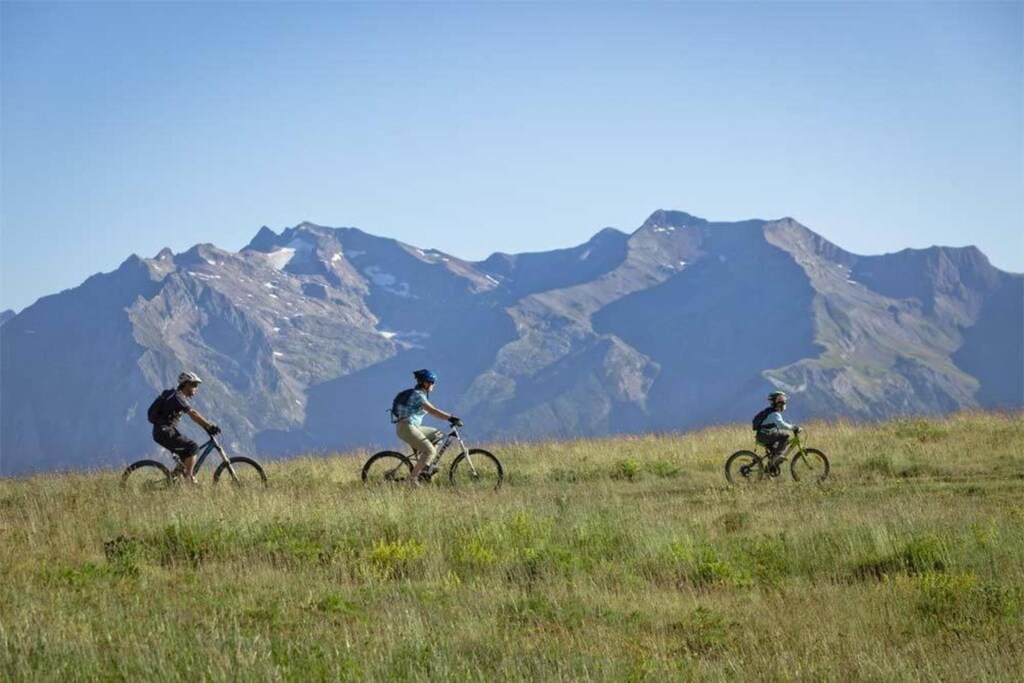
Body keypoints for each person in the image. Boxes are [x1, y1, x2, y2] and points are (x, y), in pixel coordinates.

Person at [392, 369, 461, 486]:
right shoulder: (418, 395)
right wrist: (451, 418)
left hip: (412, 427)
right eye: (432, 382)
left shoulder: (420, 394)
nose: (434, 385)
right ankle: (412, 480)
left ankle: (425, 467)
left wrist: (449, 417)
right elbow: (433, 411)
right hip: (406, 427)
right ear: (425, 383)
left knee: (437, 434)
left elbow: (433, 411)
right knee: (429, 451)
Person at [148, 372, 220, 483]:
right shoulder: (178, 397)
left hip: (164, 431)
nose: (196, 388)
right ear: (186, 384)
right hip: (164, 432)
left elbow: (193, 416)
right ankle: (189, 480)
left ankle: (172, 480)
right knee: (193, 447)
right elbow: (193, 414)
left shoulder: (177, 396)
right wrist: (209, 426)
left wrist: (206, 426)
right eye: (194, 385)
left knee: (186, 455)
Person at [755, 390, 801, 465]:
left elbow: (780, 423)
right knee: (785, 436)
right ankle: (777, 456)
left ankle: (771, 465)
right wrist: (793, 427)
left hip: (763, 434)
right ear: (776, 402)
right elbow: (781, 425)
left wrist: (790, 425)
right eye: (781, 401)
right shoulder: (774, 414)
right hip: (765, 435)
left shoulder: (771, 411)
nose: (783, 403)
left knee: (776, 444)